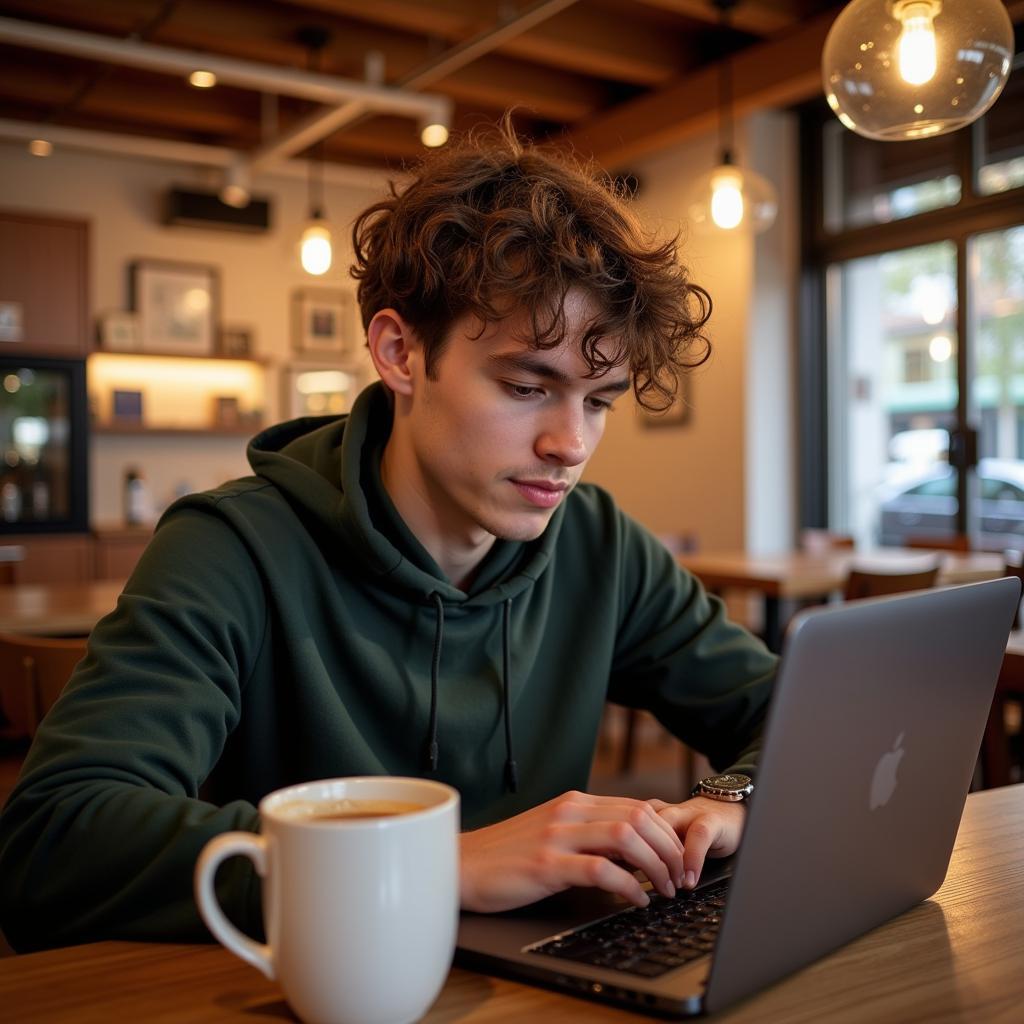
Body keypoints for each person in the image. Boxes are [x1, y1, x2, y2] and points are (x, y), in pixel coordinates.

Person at [0, 126, 776, 952]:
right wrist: (425, 864)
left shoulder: (600, 546)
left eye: (599, 401)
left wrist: (731, 801)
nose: (570, 444)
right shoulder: (231, 548)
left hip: (542, 989)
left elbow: (788, 713)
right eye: (525, 386)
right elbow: (54, 839)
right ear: (400, 353)